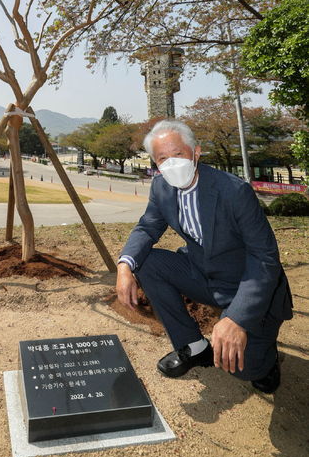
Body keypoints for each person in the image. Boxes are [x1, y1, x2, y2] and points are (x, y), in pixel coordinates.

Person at [116, 119, 293, 393]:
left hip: (246, 285)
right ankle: (194, 346)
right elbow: (148, 226)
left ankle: (267, 359)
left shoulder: (233, 191)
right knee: (146, 262)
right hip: (203, 274)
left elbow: (264, 258)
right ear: (155, 163)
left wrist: (236, 319)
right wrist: (124, 267)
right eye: (163, 158)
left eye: (178, 154)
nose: (171, 164)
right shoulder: (161, 187)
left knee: (244, 370)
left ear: (196, 152)